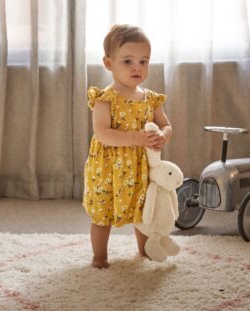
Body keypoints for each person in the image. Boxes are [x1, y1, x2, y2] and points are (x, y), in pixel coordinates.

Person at [83, 24, 173, 269]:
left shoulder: (151, 98)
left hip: (138, 168)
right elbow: (102, 133)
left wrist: (163, 136)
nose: (137, 67)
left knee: (142, 211)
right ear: (109, 63)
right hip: (108, 169)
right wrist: (135, 138)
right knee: (103, 214)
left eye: (143, 61)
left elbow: (166, 124)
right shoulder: (105, 99)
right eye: (128, 61)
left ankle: (144, 252)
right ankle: (99, 257)